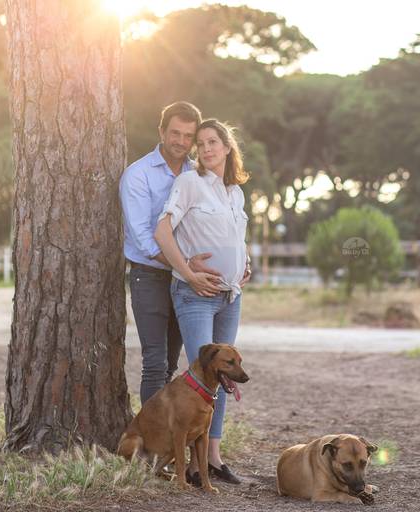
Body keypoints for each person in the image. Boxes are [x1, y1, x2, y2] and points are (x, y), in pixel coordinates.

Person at [154, 118, 251, 485]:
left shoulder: (235, 192)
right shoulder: (189, 182)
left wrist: (246, 262)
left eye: (213, 142)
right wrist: (189, 273)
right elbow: (162, 230)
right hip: (195, 295)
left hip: (230, 296)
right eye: (201, 143)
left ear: (228, 146)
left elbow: (236, 237)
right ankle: (192, 467)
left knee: (223, 376)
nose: (206, 149)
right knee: (204, 379)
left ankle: (213, 458)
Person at [119, 101, 219, 405]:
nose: (180, 141)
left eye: (188, 136)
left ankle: (166, 437)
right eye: (174, 133)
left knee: (174, 366)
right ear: (161, 131)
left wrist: (242, 259)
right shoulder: (137, 175)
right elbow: (144, 240)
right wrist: (183, 264)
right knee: (155, 364)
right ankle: (150, 444)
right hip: (149, 276)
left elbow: (216, 221)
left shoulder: (200, 175)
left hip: (187, 280)